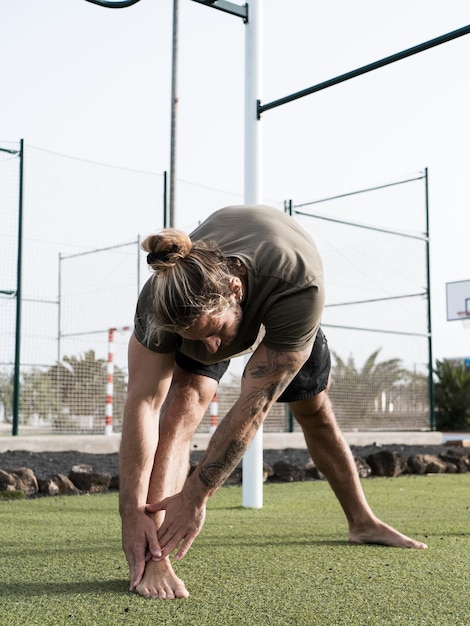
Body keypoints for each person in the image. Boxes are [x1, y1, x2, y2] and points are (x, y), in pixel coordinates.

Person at [119, 204, 427, 600]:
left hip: (280, 294)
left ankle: (362, 521)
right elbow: (143, 403)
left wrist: (196, 495)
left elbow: (254, 406)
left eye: (214, 334)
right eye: (192, 338)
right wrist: (130, 513)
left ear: (235, 291)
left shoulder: (297, 291)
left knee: (314, 411)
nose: (209, 350)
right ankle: (156, 558)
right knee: (181, 407)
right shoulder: (163, 297)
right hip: (204, 300)